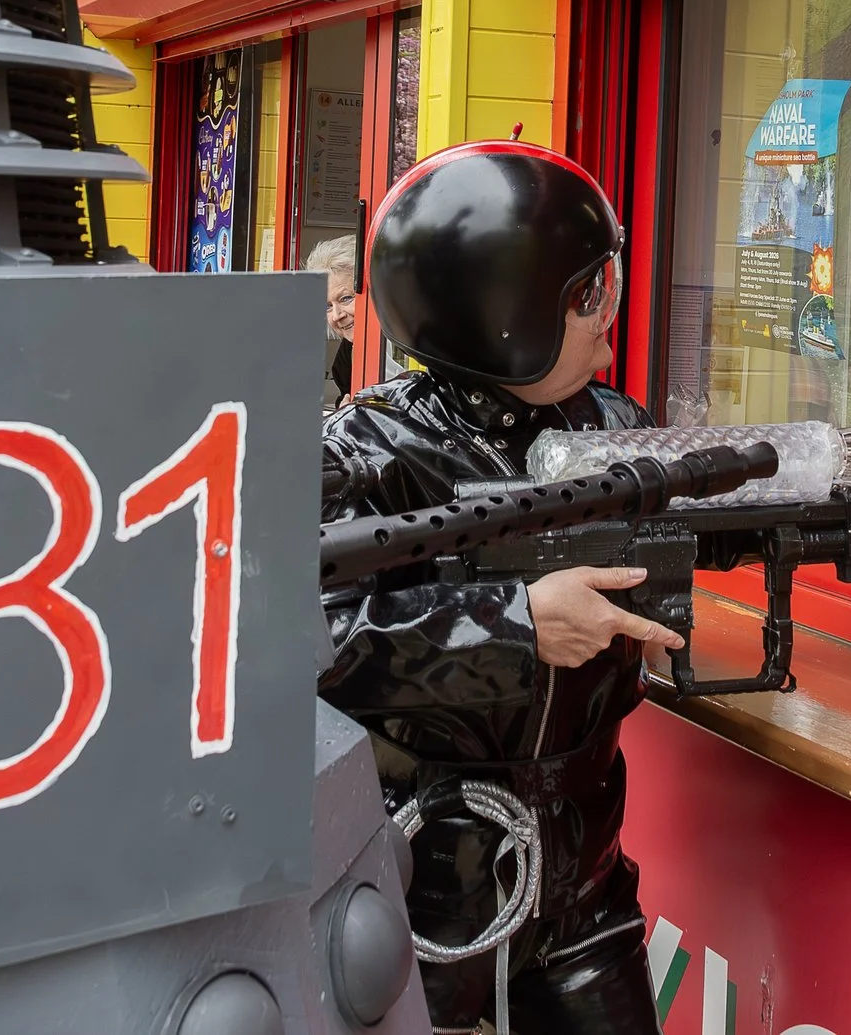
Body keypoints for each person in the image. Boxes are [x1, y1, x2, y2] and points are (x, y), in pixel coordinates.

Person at [319, 141, 678, 1035]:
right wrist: (515, 627)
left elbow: (721, 506)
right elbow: (305, 632)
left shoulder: (611, 426)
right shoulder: (365, 452)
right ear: (504, 305)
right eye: (586, 292)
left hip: (588, 881)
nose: (608, 314)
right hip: (426, 893)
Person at [306, 233, 359, 409]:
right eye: (328, 306)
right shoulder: (344, 360)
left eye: (345, 298)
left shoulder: (407, 345)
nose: (337, 315)